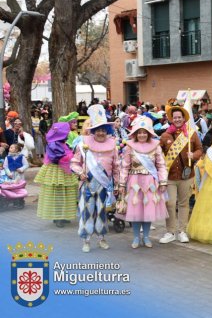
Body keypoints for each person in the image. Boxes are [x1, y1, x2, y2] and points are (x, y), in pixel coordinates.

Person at [70, 105, 120, 252]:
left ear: (107, 131)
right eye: (97, 129)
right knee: (87, 212)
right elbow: (74, 163)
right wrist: (80, 172)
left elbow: (116, 167)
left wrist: (117, 184)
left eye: (103, 129)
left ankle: (102, 238)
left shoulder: (113, 146)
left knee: (102, 212)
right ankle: (86, 240)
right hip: (87, 185)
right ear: (93, 131)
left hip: (104, 186)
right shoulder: (83, 144)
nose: (100, 132)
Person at [118, 118, 169, 248]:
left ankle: (146, 237)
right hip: (134, 182)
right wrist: (122, 184)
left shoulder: (156, 146)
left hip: (150, 183)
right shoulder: (130, 146)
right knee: (136, 211)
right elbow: (124, 166)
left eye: (144, 132)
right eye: (139, 132)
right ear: (135, 133)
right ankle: (136, 237)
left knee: (148, 210)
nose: (142, 135)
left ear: (149, 133)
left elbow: (161, 165)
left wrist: (163, 181)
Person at [159, 105, 203, 244]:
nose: (177, 119)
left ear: (184, 118)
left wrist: (194, 155)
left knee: (184, 204)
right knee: (170, 203)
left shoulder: (191, 133)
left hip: (186, 175)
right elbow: (158, 154)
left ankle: (182, 231)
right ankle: (170, 231)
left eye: (179, 117)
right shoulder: (165, 135)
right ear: (171, 119)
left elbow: (200, 149)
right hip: (170, 176)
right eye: (175, 117)